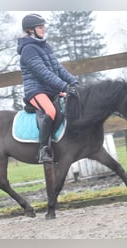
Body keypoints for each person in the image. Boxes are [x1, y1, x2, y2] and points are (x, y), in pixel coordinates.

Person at [17, 13, 79, 163]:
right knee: (50, 111)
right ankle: (43, 149)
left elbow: (58, 68)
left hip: (50, 89)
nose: (44, 29)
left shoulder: (45, 46)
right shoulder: (28, 50)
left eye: (43, 26)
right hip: (36, 90)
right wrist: (64, 86)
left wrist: (74, 82)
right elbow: (43, 73)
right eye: (40, 27)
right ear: (31, 30)